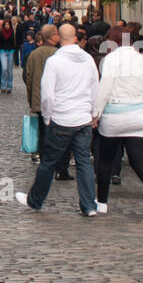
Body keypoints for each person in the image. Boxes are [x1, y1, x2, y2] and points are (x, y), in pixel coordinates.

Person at [15, 24, 99, 216]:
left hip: (61, 118)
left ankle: (35, 200)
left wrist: (47, 116)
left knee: (49, 161)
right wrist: (94, 113)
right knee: (84, 162)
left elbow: (47, 94)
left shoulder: (55, 61)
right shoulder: (87, 60)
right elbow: (96, 87)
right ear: (76, 38)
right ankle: (89, 205)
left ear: (60, 38)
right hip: (83, 118)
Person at [91, 26, 143, 218]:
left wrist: (96, 113)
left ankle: (101, 202)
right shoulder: (140, 59)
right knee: (138, 160)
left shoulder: (111, 59)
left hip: (115, 115)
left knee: (106, 160)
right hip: (138, 115)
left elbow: (105, 87)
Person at [23, 24, 60, 164]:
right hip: (55, 100)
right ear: (52, 37)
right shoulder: (57, 53)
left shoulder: (34, 54)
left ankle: (43, 155)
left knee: (42, 129)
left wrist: (31, 99)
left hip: (38, 99)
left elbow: (28, 77)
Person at [0, 18, 18, 93]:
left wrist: (15, 52)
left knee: (10, 70)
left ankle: (9, 86)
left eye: (8, 25)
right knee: (4, 68)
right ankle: (3, 85)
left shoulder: (13, 32)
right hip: (3, 51)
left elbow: (15, 42)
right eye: (5, 25)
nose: (7, 26)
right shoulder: (1, 33)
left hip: (11, 51)